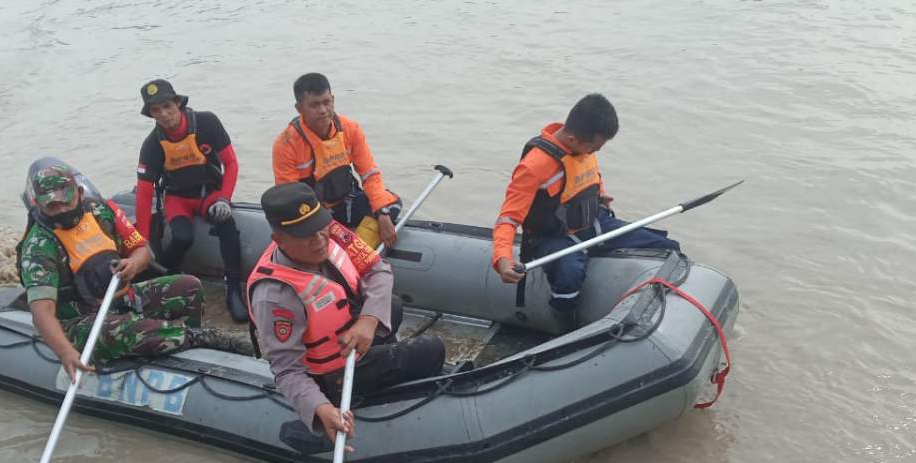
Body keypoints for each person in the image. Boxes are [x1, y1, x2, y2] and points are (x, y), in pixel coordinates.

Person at [247, 182, 446, 443]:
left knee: (393, 306)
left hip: (349, 337)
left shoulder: (331, 233)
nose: (319, 241)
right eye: (306, 235)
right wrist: (320, 408)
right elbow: (286, 371)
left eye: (321, 229)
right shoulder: (275, 296)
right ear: (279, 240)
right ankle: (381, 387)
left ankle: (382, 363)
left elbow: (378, 269)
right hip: (330, 375)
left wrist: (368, 320)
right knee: (432, 350)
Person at [16, 160, 249, 381]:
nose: (61, 210)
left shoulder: (100, 211)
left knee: (189, 287)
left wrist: (134, 264)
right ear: (39, 205)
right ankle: (198, 338)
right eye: (53, 206)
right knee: (120, 332)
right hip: (79, 322)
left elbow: (142, 250)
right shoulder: (38, 246)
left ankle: (181, 347)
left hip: (121, 299)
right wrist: (65, 352)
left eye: (66, 201)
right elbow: (42, 311)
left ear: (79, 192)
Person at [490, 94, 681, 330]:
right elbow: (508, 218)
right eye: (595, 147)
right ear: (573, 139)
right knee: (569, 274)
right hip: (553, 237)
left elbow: (590, 178)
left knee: (663, 244)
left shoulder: (583, 148)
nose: (596, 152)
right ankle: (564, 328)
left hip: (594, 222)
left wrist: (600, 195)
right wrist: (502, 259)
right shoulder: (533, 167)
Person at [134, 78, 247, 322]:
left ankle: (234, 290)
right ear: (151, 114)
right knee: (183, 237)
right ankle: (168, 278)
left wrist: (225, 200)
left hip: (210, 194)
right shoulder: (152, 145)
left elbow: (231, 163)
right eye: (156, 110)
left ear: (178, 103)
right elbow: (144, 194)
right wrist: (141, 243)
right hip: (178, 198)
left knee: (227, 227)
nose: (164, 114)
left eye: (167, 106)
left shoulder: (207, 123)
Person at [271, 72, 402, 250]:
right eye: (314, 105)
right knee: (300, 225)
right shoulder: (286, 143)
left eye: (326, 102)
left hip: (345, 202)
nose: (323, 110)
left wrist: (383, 213)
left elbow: (370, 174)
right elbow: (290, 198)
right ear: (299, 108)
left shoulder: (350, 129)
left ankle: (356, 250)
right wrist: (323, 225)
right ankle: (352, 250)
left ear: (333, 99)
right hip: (313, 213)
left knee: (391, 202)